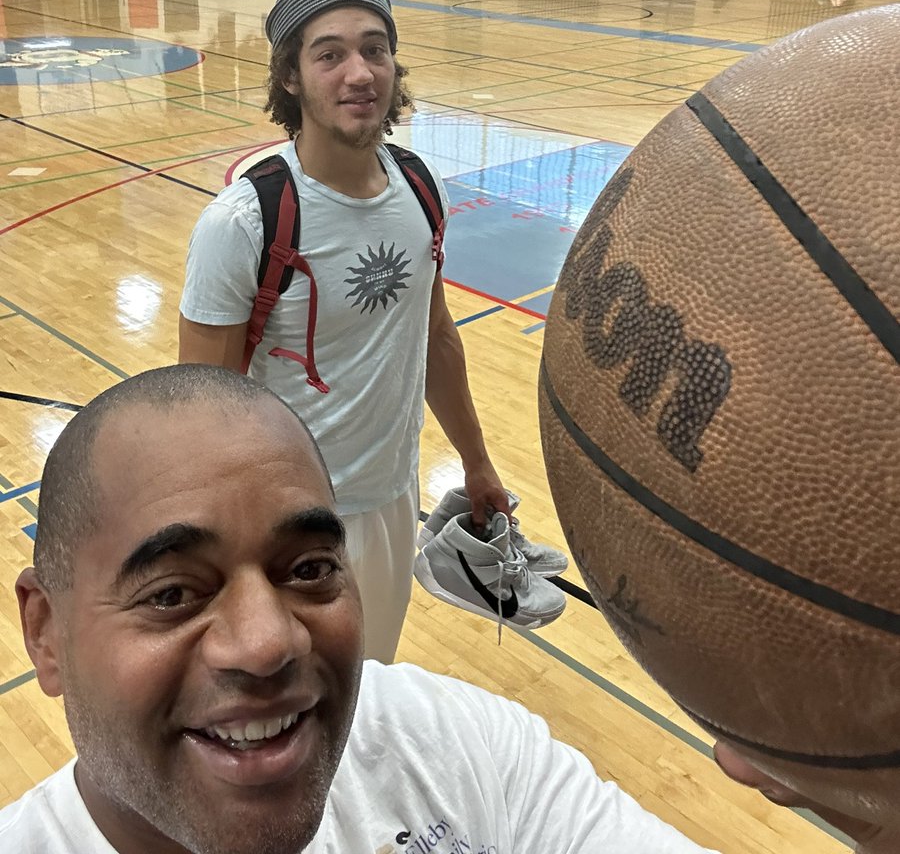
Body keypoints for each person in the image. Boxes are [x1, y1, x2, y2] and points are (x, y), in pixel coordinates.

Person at [1, 365, 720, 854]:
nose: (265, 643)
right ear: (47, 633)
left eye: (310, 570)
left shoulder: (452, 744)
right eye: (172, 594)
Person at [178, 0, 511, 663]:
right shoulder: (243, 223)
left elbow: (438, 340)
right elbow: (197, 412)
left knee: (367, 693)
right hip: (282, 521)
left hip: (392, 499)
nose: (359, 72)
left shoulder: (421, 189)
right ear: (291, 77)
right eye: (329, 54)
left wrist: (476, 464)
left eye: (375, 49)